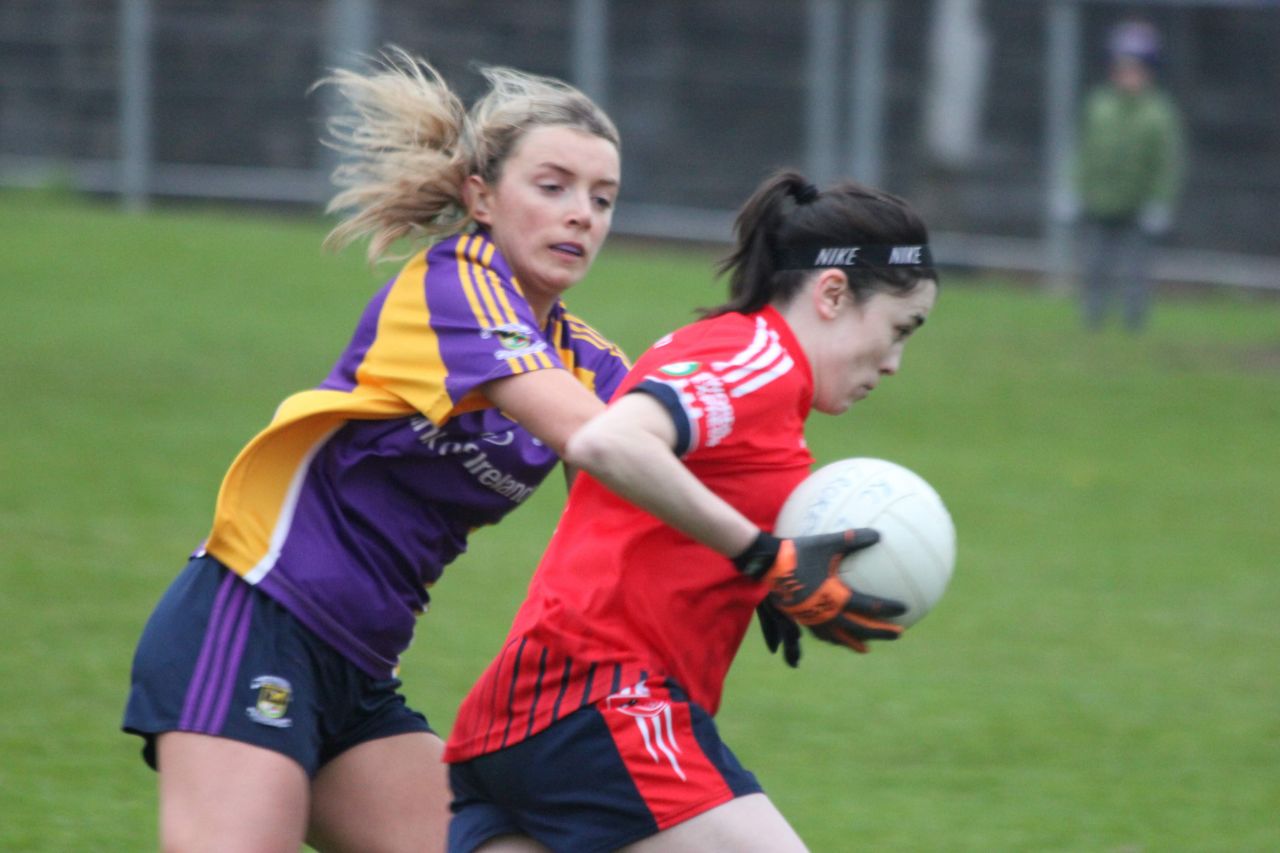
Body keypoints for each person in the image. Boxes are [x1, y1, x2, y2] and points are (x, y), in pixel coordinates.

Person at [122, 48, 630, 853]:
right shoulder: (454, 286)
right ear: (481, 197)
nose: (582, 215)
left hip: (360, 674)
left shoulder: (590, 360)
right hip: (255, 618)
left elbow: (647, 490)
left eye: (602, 198)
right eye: (554, 186)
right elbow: (599, 438)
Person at [443, 170, 940, 852]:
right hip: (600, 699)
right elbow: (607, 440)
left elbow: (652, 503)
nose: (894, 363)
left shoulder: (744, 363)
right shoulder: (757, 359)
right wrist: (760, 554)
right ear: (832, 293)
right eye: (899, 327)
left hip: (528, 717)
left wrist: (756, 575)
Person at [1072, 18, 1186, 332]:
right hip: (1100, 201)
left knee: (1136, 269)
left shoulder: (1159, 114)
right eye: (1123, 68)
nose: (1129, 77)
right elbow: (1084, 153)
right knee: (1095, 265)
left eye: (1136, 69)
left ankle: (1134, 322)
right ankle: (1092, 320)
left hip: (1138, 204)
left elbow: (1167, 163)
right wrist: (1075, 190)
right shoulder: (1099, 106)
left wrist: (1159, 202)